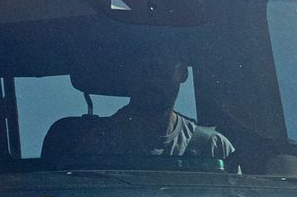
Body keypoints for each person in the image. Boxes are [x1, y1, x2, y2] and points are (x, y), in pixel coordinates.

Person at [41, 50, 235, 173]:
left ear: (182, 73)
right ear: (126, 74)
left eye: (161, 68)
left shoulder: (213, 147)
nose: (150, 78)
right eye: (140, 67)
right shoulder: (92, 145)